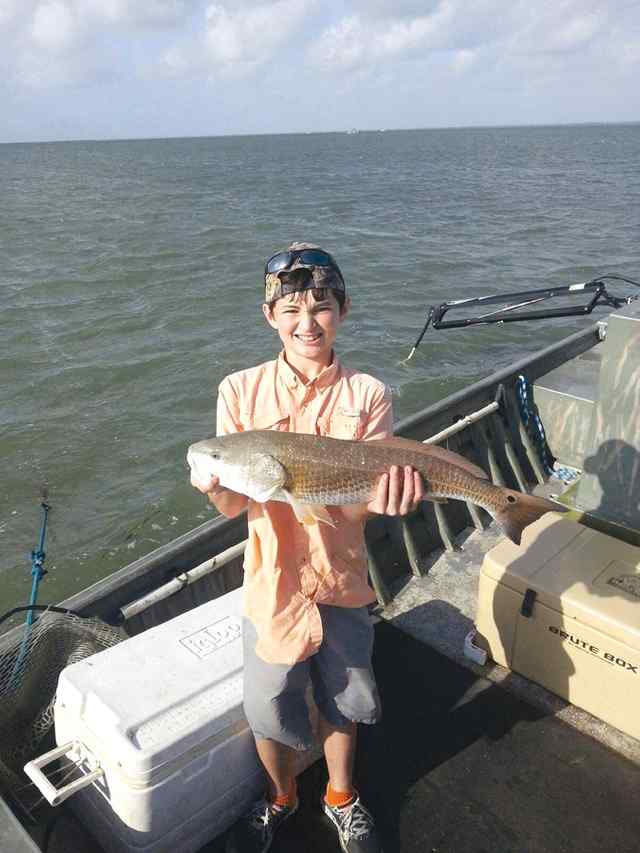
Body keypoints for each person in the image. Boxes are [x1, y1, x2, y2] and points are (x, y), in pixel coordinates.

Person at [191, 243, 424, 853]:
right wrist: (216, 480)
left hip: (342, 580)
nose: (306, 322)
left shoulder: (369, 394)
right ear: (270, 316)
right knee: (267, 704)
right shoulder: (238, 392)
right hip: (273, 587)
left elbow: (356, 507)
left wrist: (386, 500)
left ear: (343, 312)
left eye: (321, 307)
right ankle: (281, 794)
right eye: (291, 308)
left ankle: (342, 795)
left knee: (348, 698)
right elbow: (237, 504)